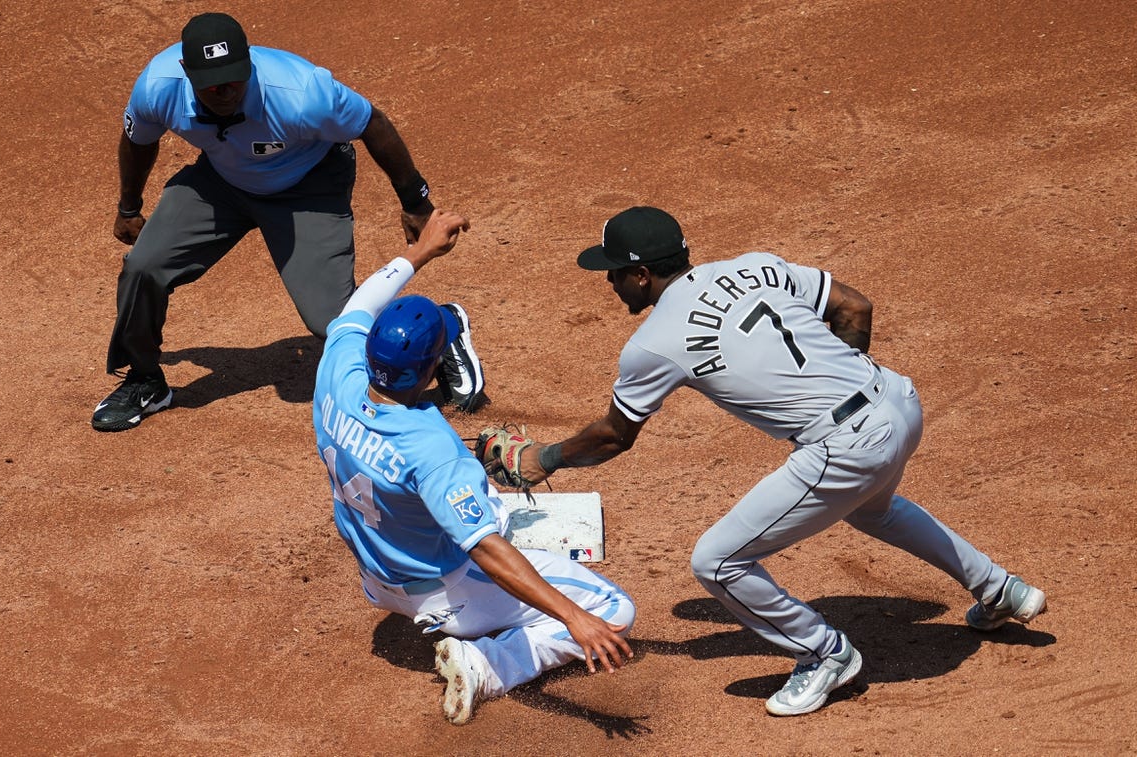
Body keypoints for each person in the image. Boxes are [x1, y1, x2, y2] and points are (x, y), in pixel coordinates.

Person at [508, 206, 1047, 716]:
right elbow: (854, 306)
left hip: (850, 446)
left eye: (614, 273)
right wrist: (839, 380)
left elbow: (613, 437)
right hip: (898, 402)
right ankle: (1000, 589)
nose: (608, 282)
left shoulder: (653, 343)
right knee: (874, 509)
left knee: (717, 561)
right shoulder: (755, 266)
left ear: (643, 274)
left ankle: (824, 653)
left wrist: (545, 458)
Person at [312, 209, 635, 725]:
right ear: (433, 368)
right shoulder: (432, 447)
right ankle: (486, 665)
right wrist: (575, 620)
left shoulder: (338, 369)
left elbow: (360, 302)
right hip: (441, 590)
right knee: (613, 611)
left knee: (460, 499)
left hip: (377, 571)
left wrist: (420, 251)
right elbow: (486, 551)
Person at [93, 12, 485, 432]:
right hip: (221, 182)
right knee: (143, 267)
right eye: (211, 83)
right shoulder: (158, 86)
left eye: (235, 78)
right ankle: (145, 379)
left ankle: (443, 328)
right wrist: (129, 207)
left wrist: (416, 202)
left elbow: (373, 123)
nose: (225, 91)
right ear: (186, 72)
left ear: (249, 62)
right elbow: (138, 141)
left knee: (333, 320)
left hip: (308, 186)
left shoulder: (301, 93)